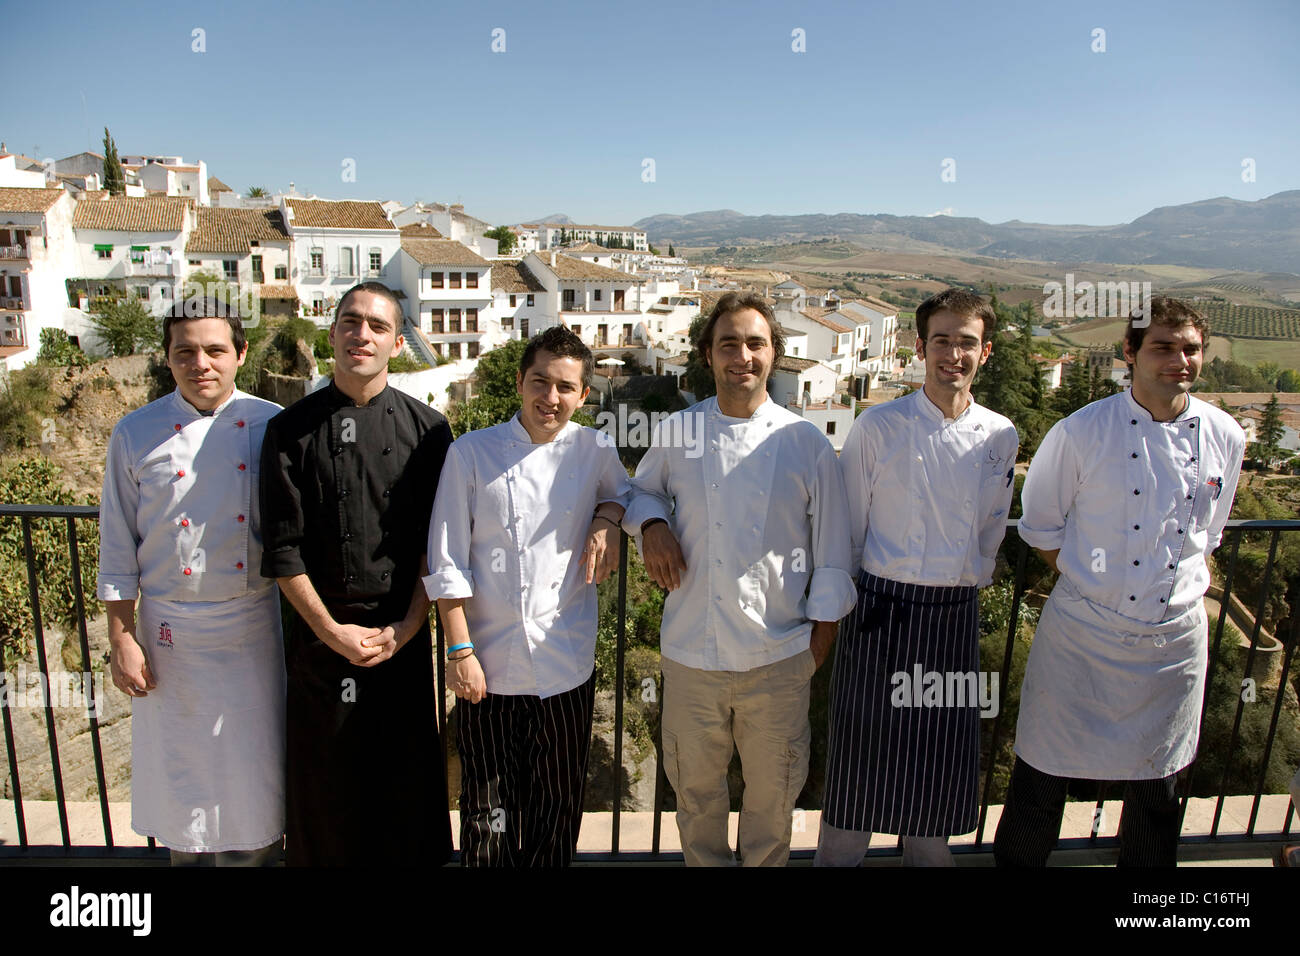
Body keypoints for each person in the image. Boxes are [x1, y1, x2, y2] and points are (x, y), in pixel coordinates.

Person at [995, 296, 1246, 867]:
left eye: (1191, 349)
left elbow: (1209, 531)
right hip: (1082, 639)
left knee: (1158, 792)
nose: (1179, 360)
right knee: (1041, 782)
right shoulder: (1081, 432)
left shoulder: (1226, 436)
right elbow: (1041, 528)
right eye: (1162, 347)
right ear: (1129, 353)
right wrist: (1096, 588)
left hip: (1172, 647)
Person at [624, 291, 857, 867]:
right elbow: (641, 491)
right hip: (691, 655)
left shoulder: (805, 443)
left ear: (774, 354)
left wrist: (818, 641)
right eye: (729, 343)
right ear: (708, 354)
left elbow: (833, 551)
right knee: (696, 797)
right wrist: (652, 524)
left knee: (772, 800)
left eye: (756, 343)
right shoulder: (678, 431)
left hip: (778, 657)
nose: (743, 356)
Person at [817, 288, 1018, 867]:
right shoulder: (878, 427)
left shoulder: (1000, 435)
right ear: (919, 346)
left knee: (938, 763)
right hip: (878, 611)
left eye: (967, 342)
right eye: (942, 341)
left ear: (987, 351)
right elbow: (848, 529)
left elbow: (990, 528)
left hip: (953, 616)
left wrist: (969, 580)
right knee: (861, 760)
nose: (954, 354)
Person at [259, 281, 453, 866]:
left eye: (375, 325)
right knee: (327, 794)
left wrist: (409, 627)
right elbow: (284, 551)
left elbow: (434, 546)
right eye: (350, 322)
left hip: (402, 640)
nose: (360, 334)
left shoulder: (430, 432)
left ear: (398, 342)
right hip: (321, 646)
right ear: (333, 334)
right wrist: (331, 632)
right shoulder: (290, 431)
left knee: (404, 788)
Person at [426, 327, 630, 867]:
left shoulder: (595, 448)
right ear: (519, 382)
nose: (551, 397)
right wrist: (458, 652)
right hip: (486, 668)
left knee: (557, 809)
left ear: (584, 395)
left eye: (566, 387)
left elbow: (625, 496)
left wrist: (607, 520)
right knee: (485, 811)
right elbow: (447, 561)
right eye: (540, 381)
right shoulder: (470, 453)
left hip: (565, 664)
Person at [99, 295, 284, 866]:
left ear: (240, 354)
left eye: (214, 350)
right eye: (185, 352)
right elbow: (116, 544)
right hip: (169, 630)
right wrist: (121, 639)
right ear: (168, 358)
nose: (200, 363)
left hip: (253, 624)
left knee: (252, 769)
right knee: (184, 770)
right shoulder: (135, 432)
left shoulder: (273, 424)